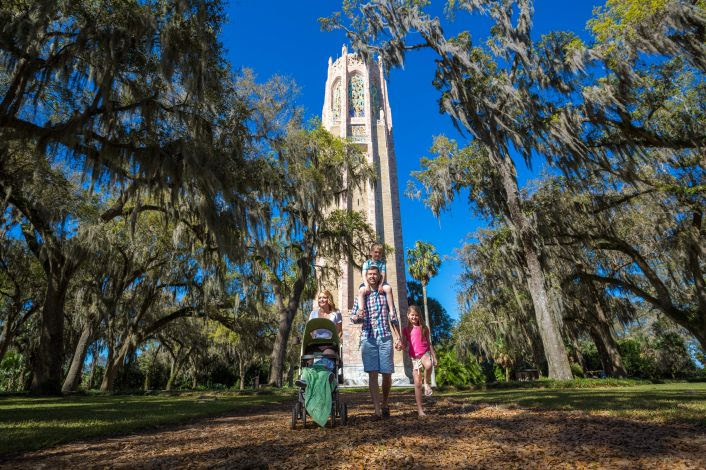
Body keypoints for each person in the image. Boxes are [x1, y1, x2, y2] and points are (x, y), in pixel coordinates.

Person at [350, 266, 402, 418]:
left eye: (375, 274)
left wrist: (399, 337)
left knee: (386, 373)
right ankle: (377, 410)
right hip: (368, 338)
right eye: (370, 274)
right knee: (372, 374)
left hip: (385, 336)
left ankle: (385, 403)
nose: (372, 276)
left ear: (380, 276)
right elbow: (354, 318)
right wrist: (358, 316)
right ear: (366, 277)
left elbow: (393, 317)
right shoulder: (361, 295)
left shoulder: (385, 293)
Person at [401, 305, 437, 417]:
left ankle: (427, 383)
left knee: (429, 365)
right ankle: (420, 410)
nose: (414, 317)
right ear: (408, 316)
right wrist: (400, 345)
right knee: (417, 384)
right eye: (412, 315)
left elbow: (429, 343)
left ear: (419, 316)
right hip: (414, 358)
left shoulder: (424, 328)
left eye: (416, 315)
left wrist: (434, 356)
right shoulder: (406, 330)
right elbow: (405, 344)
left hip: (424, 353)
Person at [357, 243, 397, 320]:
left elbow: (383, 275)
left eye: (379, 253)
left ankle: (392, 312)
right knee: (361, 291)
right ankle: (361, 311)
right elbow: (364, 274)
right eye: (376, 252)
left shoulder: (382, 264)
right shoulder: (367, 263)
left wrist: (380, 285)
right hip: (368, 283)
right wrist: (367, 285)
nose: (377, 254)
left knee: (388, 289)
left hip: (379, 282)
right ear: (371, 253)